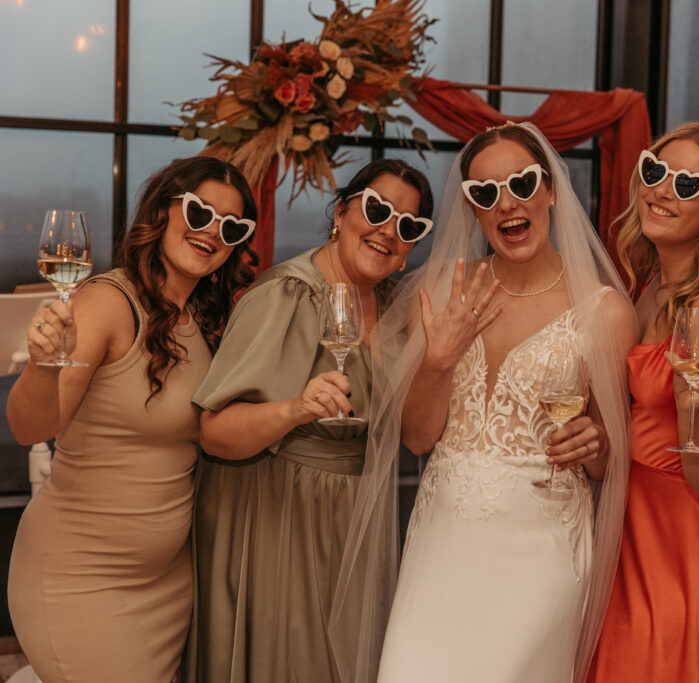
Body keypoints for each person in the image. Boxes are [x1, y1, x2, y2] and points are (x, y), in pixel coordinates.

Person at [334, 122, 634, 683]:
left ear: (550, 189)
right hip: (442, 539)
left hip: (542, 549)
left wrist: (595, 443)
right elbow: (418, 438)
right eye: (485, 192)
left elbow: (605, 462)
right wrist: (439, 360)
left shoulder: (605, 312)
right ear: (472, 208)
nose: (507, 203)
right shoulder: (443, 289)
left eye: (521, 183)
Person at [6, 157, 257, 682]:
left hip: (166, 585)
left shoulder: (204, 318)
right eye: (200, 212)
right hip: (82, 577)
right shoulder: (108, 301)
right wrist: (43, 365)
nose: (213, 231)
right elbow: (31, 428)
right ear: (163, 209)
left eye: (232, 227)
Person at [182, 158, 433, 683]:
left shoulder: (397, 310)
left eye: (408, 225)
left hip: (355, 521)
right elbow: (214, 432)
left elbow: (414, 430)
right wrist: (295, 409)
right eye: (378, 210)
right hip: (276, 519)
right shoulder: (286, 294)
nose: (389, 230)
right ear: (341, 213)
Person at [586, 122, 699, 682]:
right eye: (655, 171)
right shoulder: (649, 286)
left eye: (688, 184)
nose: (663, 190)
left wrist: (692, 408)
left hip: (688, 529)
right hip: (635, 518)